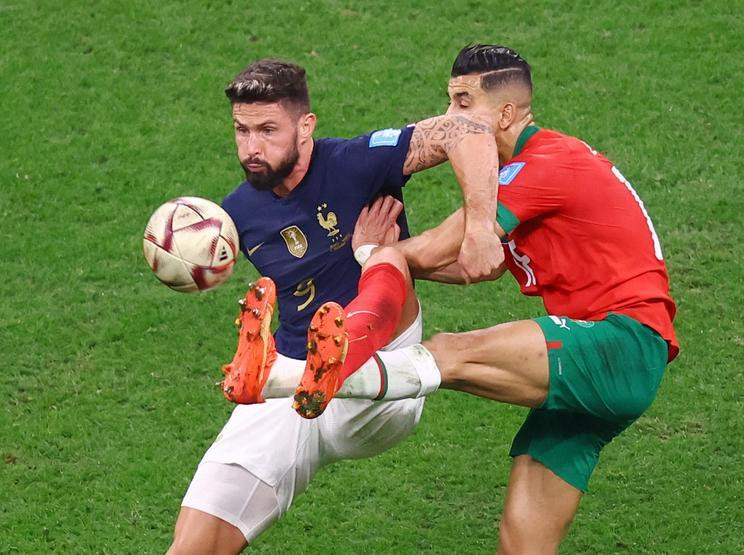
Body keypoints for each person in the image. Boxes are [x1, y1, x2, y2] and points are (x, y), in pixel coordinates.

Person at [258, 44, 680, 553]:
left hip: (618, 343)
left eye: (462, 102)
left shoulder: (545, 163)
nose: (449, 117)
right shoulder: (542, 167)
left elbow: (439, 246)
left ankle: (288, 377)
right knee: (521, 543)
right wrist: (391, 259)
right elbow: (469, 264)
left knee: (452, 352)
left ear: (506, 113)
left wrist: (373, 253)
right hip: (607, 369)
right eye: (449, 101)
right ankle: (305, 374)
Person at [168, 58, 508, 553]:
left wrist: (475, 228)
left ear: (306, 127)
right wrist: (189, 263)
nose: (251, 148)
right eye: (241, 131)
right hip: (291, 385)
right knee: (192, 546)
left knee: (385, 256)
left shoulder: (354, 162)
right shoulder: (235, 214)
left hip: (383, 375)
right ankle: (289, 375)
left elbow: (465, 128)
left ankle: (339, 342)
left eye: (267, 130)